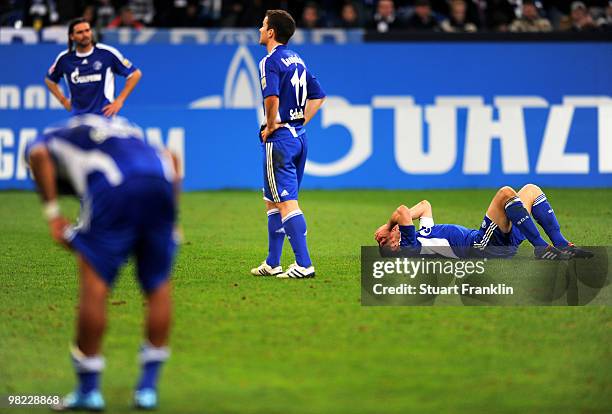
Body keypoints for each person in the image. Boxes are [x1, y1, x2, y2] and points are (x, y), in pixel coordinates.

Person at [26, 115, 179, 410]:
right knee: (158, 284)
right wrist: (174, 220)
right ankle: (148, 388)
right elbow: (170, 157)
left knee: (93, 286)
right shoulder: (120, 130)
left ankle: (88, 389)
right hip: (160, 183)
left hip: (114, 187)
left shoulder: (50, 139)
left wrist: (52, 214)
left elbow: (38, 155)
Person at [251, 9, 326, 279]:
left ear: (271, 32)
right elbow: (318, 96)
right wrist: (297, 120)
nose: (260, 29)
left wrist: (272, 125)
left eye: (263, 25)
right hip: (298, 137)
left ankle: (304, 264)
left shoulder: (269, 61)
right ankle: (273, 262)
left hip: (280, 140)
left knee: (286, 203)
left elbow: (270, 97)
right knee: (273, 200)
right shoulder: (297, 59)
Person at [375, 184, 592, 260]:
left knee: (531, 191)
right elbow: (402, 211)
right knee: (505, 194)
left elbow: (424, 205)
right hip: (480, 247)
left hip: (491, 243)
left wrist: (390, 228)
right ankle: (541, 248)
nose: (393, 234)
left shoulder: (423, 236)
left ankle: (561, 243)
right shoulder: (410, 247)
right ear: (394, 246)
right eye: (388, 239)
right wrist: (388, 226)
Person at [45, 17, 142, 117]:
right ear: (72, 36)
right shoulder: (65, 59)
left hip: (104, 117)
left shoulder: (106, 53)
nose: (85, 35)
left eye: (87, 30)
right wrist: (63, 101)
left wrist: (119, 101)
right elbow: (50, 80)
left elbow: (135, 74)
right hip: (78, 119)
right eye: (80, 32)